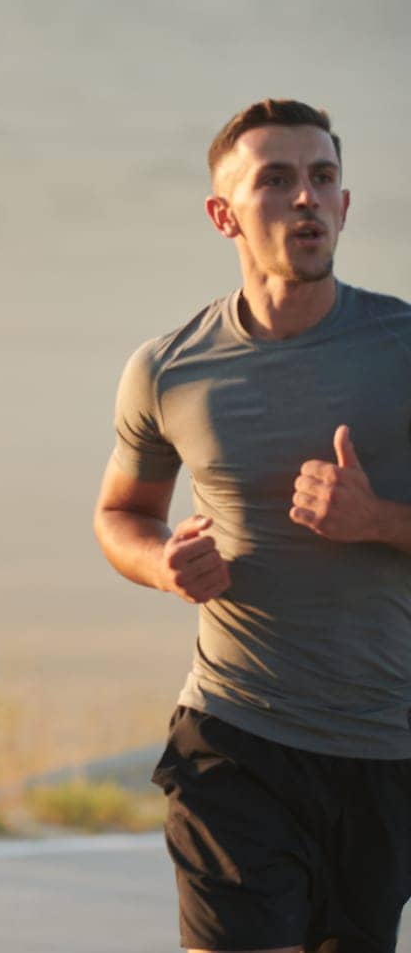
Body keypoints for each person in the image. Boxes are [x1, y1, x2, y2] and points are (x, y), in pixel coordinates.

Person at [94, 99, 411, 953]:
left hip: (384, 746)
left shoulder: (404, 349)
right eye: (277, 180)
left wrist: (379, 518)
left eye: (322, 178)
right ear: (223, 214)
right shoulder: (171, 368)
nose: (305, 198)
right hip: (234, 733)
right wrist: (164, 563)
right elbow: (123, 513)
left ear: (344, 206)